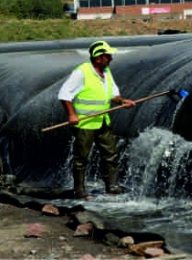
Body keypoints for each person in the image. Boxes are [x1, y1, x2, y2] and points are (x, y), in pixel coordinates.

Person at [57, 40, 135, 199]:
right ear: (98, 58)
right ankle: (80, 191)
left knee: (111, 154)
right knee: (81, 158)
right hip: (85, 123)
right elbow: (64, 95)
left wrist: (121, 101)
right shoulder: (81, 72)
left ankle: (112, 187)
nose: (111, 59)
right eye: (108, 56)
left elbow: (114, 93)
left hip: (102, 121)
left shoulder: (106, 72)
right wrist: (72, 115)